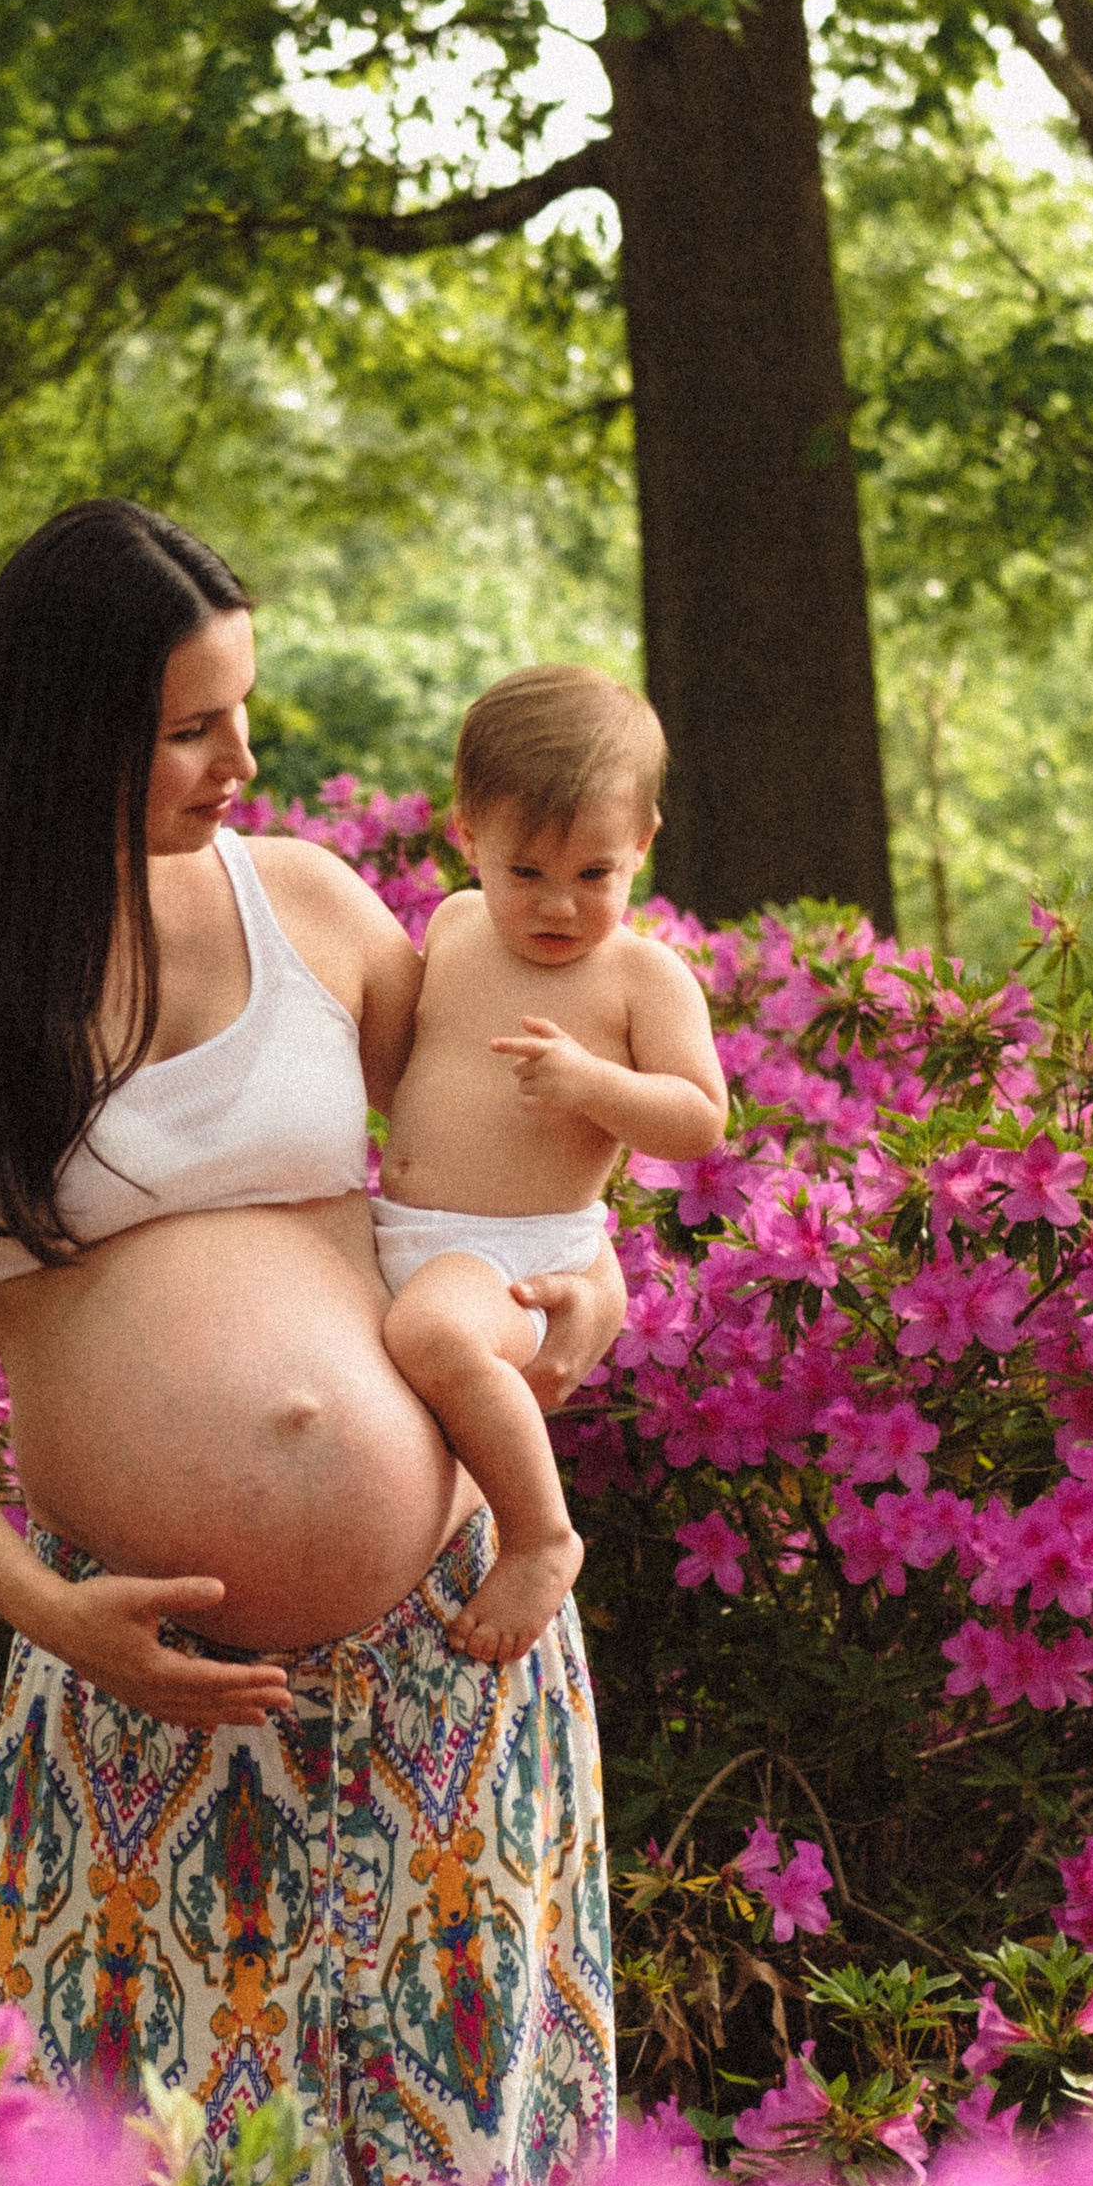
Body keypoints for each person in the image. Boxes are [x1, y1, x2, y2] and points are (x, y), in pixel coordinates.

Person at [0, 503, 626, 2186]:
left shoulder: (307, 904)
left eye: (243, 710)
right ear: (59, 728)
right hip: (136, 1670)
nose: (242, 761)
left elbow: (495, 1155)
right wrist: (39, 1608)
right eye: (188, 729)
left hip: (454, 1644)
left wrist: (588, 1283)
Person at [374, 670, 729, 1666]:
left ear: (643, 844)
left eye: (594, 874)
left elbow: (700, 1119)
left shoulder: (641, 975)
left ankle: (541, 1537)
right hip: (405, 1232)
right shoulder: (453, 927)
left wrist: (593, 1084)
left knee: (434, 1336)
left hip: (520, 1255)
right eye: (526, 871)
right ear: (468, 837)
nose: (560, 905)